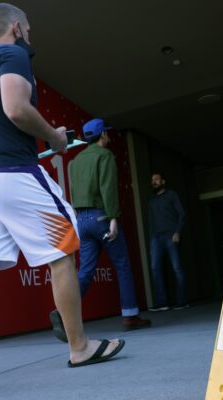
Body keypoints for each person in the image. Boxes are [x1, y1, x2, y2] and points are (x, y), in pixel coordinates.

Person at [0, 4, 124, 399]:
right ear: (16, 27)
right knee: (65, 248)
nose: (30, 35)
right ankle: (79, 348)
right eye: (28, 28)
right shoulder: (11, 53)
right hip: (12, 176)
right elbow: (15, 109)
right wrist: (54, 136)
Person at [50, 118, 151, 341]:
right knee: (123, 264)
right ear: (102, 135)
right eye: (106, 132)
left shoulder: (76, 161)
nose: (108, 136)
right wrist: (113, 218)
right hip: (102, 217)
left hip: (82, 221)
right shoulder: (105, 156)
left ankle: (63, 313)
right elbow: (108, 189)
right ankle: (130, 315)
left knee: (85, 271)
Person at [147, 173, 188, 311]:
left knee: (177, 268)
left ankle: (182, 301)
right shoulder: (151, 201)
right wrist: (151, 241)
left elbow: (181, 214)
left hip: (171, 235)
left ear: (163, 181)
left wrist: (177, 232)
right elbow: (150, 222)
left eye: (157, 179)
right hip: (156, 238)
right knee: (155, 269)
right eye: (152, 180)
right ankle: (162, 303)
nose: (154, 182)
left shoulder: (172, 195)